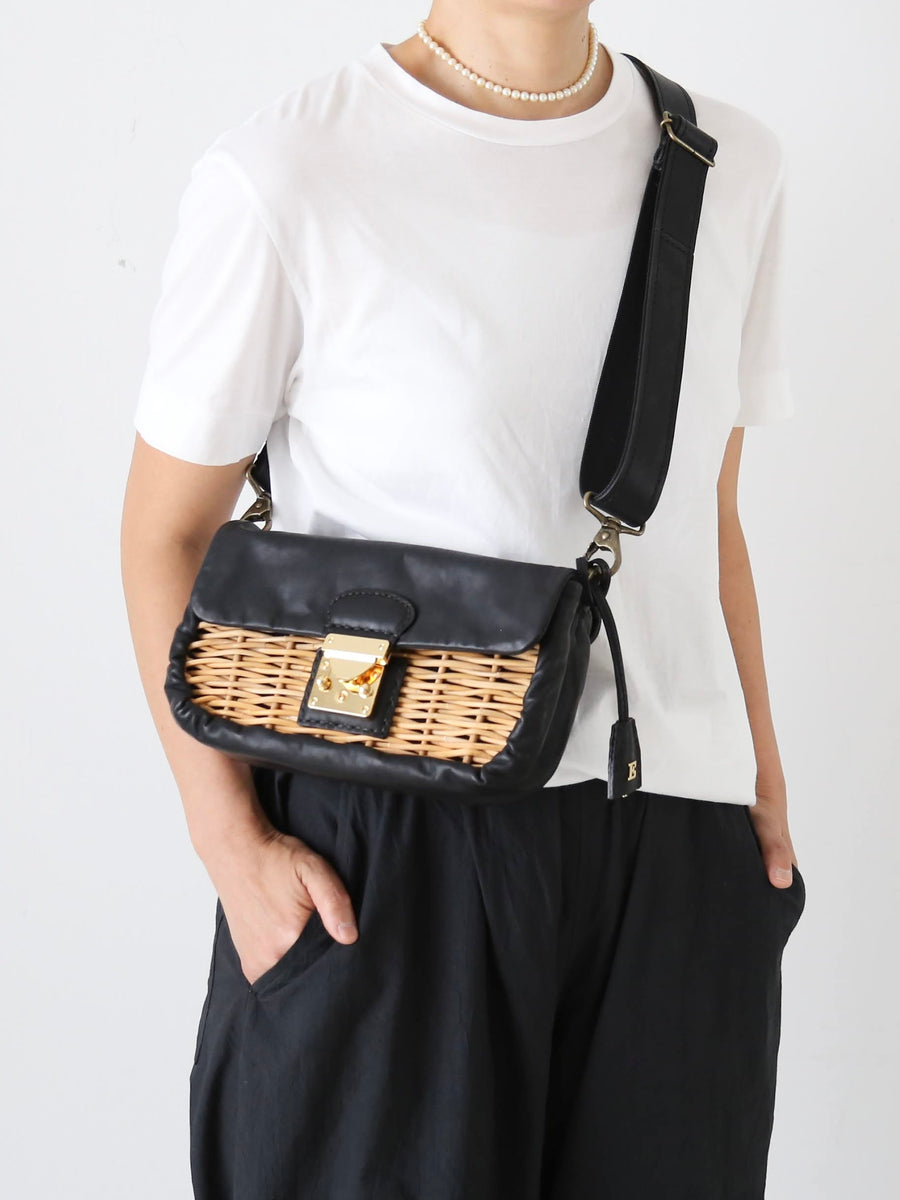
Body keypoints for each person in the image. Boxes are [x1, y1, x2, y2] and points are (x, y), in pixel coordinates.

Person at [120, 4, 806, 1197]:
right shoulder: (291, 168)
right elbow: (163, 534)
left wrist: (760, 786)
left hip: (677, 845)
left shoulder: (727, 163)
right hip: (389, 839)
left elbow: (710, 513)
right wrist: (230, 846)